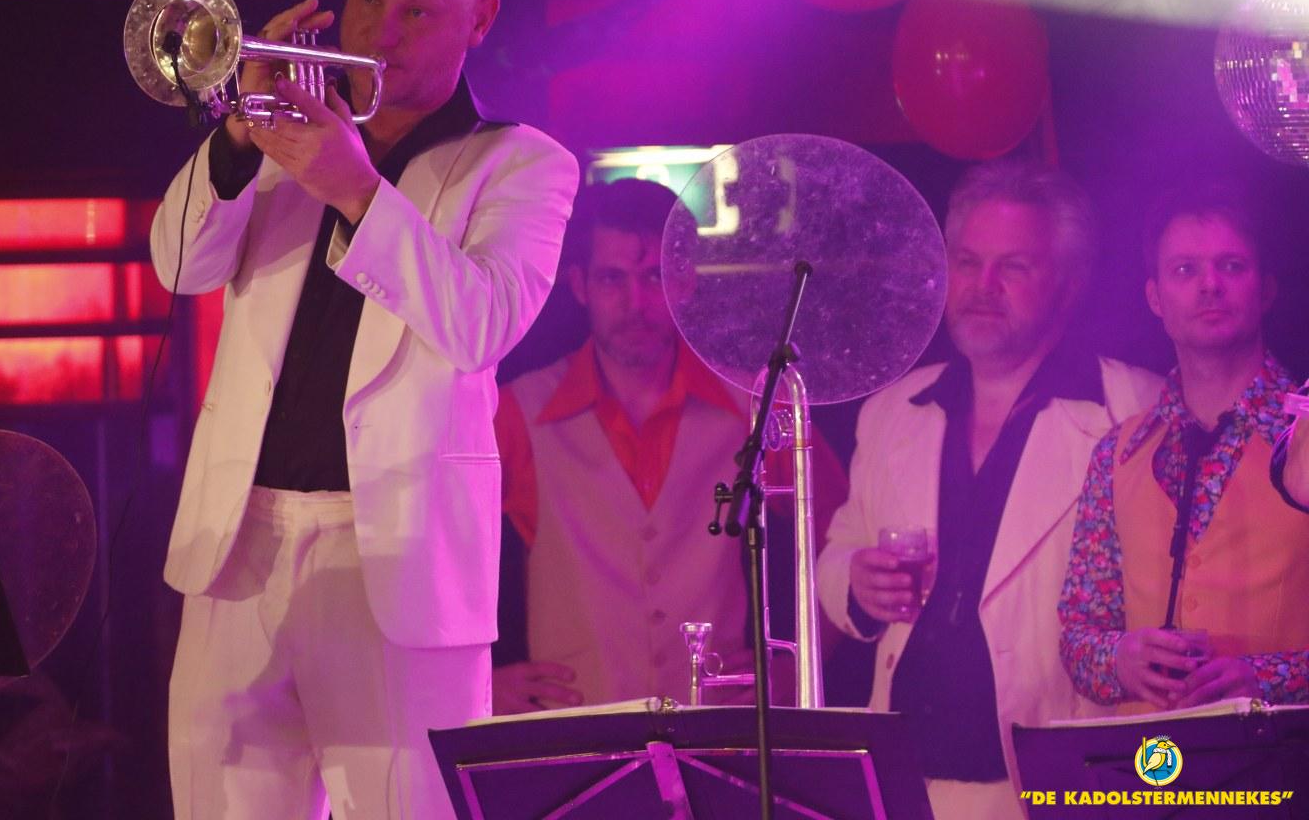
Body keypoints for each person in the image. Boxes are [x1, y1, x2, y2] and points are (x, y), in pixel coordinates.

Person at [151, 0, 578, 820]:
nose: (378, 36)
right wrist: (235, 132)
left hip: (399, 556)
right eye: (366, 1)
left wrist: (356, 188)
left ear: (482, 20)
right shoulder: (281, 133)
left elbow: (480, 324)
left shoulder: (521, 165)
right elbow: (179, 265)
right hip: (238, 542)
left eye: (416, 12)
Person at [816, 160, 1160, 820]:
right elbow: (839, 551)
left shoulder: (1133, 409)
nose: (983, 286)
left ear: (1069, 284)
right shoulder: (892, 410)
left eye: (1014, 267)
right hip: (904, 783)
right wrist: (855, 582)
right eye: (968, 263)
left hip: (1057, 786)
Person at [491, 177, 847, 714]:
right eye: (612, 278)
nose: (635, 303)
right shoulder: (517, 410)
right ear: (579, 285)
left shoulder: (758, 404)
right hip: (575, 733)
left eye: (654, 276)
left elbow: (848, 539)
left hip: (719, 734)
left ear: (685, 281)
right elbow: (430, 553)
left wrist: (796, 667)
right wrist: (479, 678)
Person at [1059, 181, 1309, 714]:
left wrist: (1267, 678)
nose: (1210, 285)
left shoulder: (1303, 437)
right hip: (1152, 762)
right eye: (1184, 270)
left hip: (1286, 759)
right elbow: (1079, 635)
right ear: (1155, 298)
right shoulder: (1117, 453)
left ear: (1265, 289)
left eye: (1232, 266)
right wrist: (1119, 659)